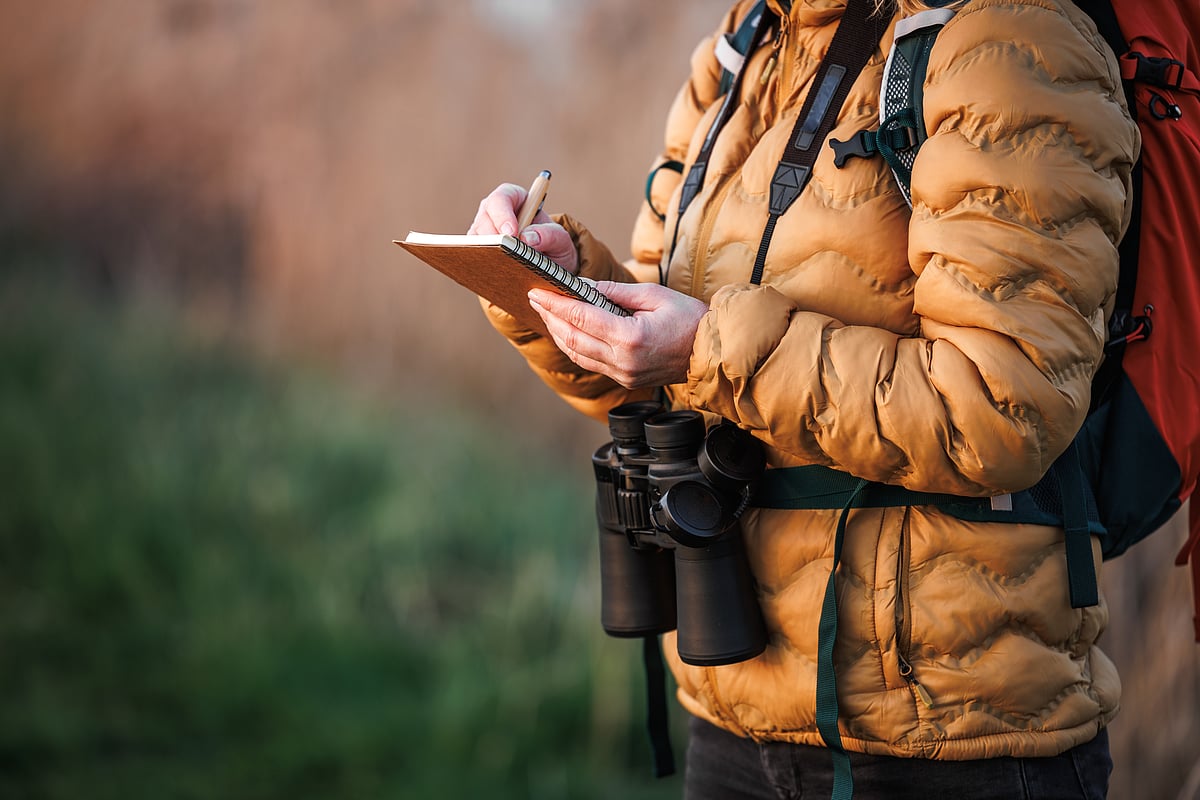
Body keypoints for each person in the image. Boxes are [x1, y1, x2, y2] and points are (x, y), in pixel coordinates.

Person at [469, 0, 1140, 797]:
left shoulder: (1013, 45)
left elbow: (999, 412)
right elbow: (663, 357)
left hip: (950, 738)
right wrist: (556, 284)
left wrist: (708, 347)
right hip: (734, 711)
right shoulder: (741, 47)